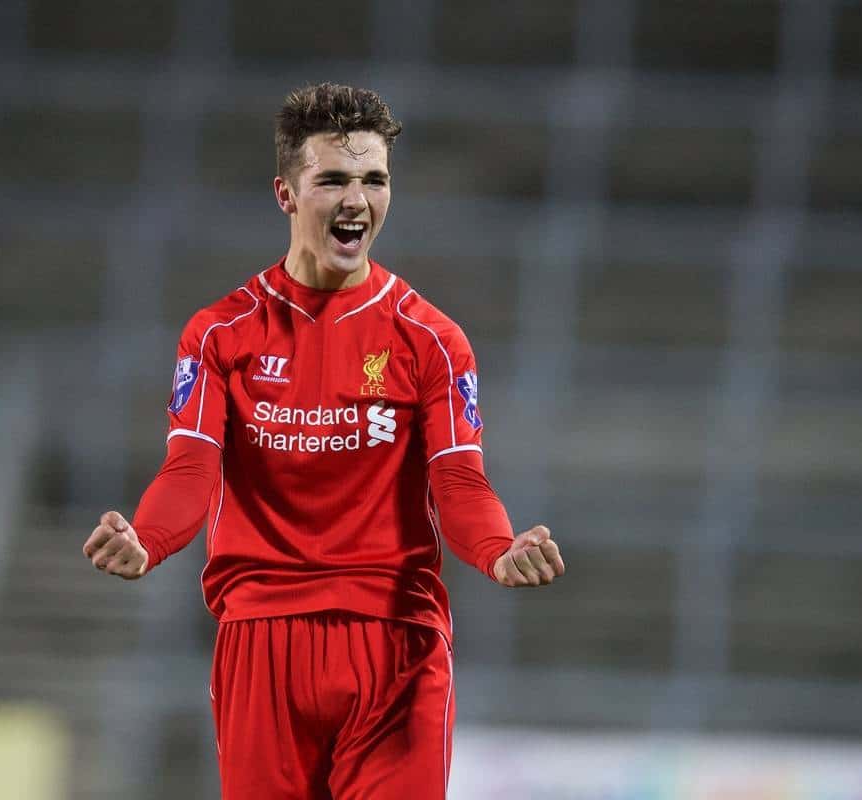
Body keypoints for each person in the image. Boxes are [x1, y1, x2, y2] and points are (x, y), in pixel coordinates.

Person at [82, 82, 566, 800]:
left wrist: (498, 550)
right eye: (333, 179)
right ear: (286, 193)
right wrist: (148, 539)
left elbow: (459, 484)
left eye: (374, 180)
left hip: (395, 640)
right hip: (262, 637)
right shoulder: (222, 333)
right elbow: (190, 470)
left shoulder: (432, 340)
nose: (356, 200)